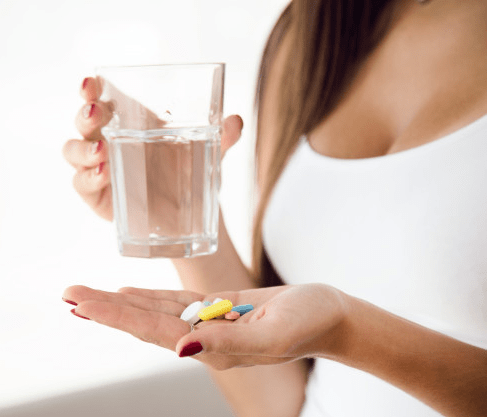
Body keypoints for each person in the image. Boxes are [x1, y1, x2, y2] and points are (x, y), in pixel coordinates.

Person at [62, 0, 487, 416]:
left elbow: (340, 331)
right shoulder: (313, 32)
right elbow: (276, 404)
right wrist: (179, 219)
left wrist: (349, 331)